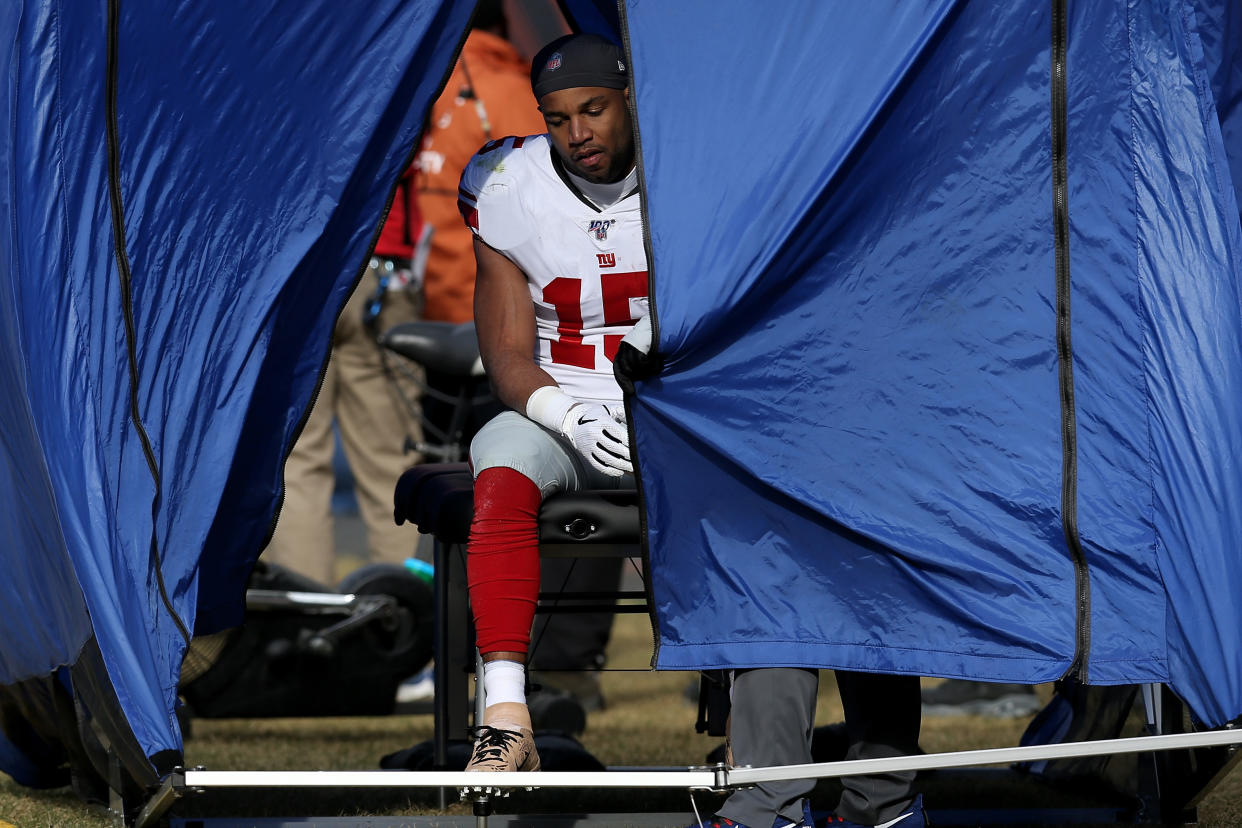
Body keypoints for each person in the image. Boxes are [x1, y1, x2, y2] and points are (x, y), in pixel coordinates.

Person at [457, 32, 646, 773]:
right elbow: (506, 355)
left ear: (629, 99)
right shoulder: (507, 183)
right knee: (498, 462)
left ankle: (737, 719)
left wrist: (654, 402)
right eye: (558, 117)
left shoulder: (683, 169)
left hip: (665, 405)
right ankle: (505, 716)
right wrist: (566, 413)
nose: (578, 134)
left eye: (595, 110)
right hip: (564, 407)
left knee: (715, 485)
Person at [263, 166, 427, 586]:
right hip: (380, 267)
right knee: (392, 467)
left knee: (295, 467)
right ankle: (405, 633)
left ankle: (306, 633)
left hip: (289, 265)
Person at [415, 0, 547, 325]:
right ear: (503, 27)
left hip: (426, 297)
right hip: (489, 307)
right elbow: (549, 199)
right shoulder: (512, 92)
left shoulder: (421, 88)